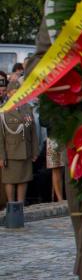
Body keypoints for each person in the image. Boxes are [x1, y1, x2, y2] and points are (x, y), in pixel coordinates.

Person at [0, 82, 39, 213]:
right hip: (10, 152)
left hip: (25, 151)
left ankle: (20, 207)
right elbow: (0, 137)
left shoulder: (27, 108)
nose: (17, 94)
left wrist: (35, 151)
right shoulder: (3, 110)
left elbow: (33, 131)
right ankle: (11, 206)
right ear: (9, 93)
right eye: (14, 91)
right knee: (9, 181)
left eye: (19, 91)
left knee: (24, 179)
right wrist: (1, 156)